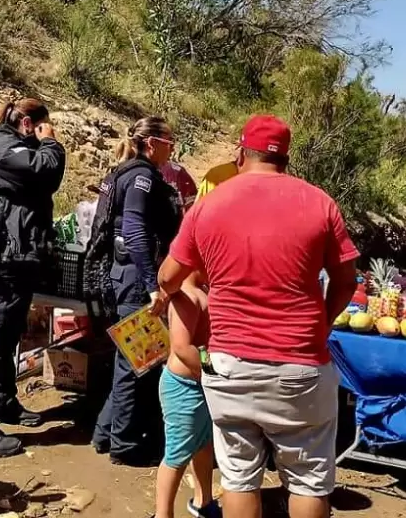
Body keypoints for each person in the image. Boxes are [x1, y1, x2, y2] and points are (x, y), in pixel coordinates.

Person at [157, 115, 359, 518]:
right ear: (285, 157)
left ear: (239, 152)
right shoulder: (319, 202)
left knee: (238, 477)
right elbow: (346, 280)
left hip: (230, 366)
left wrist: (176, 294)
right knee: (308, 479)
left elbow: (169, 276)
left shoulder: (209, 205)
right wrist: (321, 321)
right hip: (300, 365)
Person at [0, 98, 66, 458]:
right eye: (40, 128)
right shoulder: (6, 150)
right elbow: (46, 174)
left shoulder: (8, 147)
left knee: (9, 332)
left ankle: (2, 401)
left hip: (7, 252)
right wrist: (50, 142)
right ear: (28, 124)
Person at [92, 116, 182, 466]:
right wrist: (151, 285)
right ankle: (124, 445)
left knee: (128, 358)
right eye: (169, 140)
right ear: (151, 143)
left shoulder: (127, 173)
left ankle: (104, 432)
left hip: (123, 276)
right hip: (133, 279)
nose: (173, 146)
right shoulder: (142, 177)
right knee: (135, 361)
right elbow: (134, 231)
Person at [154, 276, 219, 518]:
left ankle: (204, 501)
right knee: (177, 454)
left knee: (203, 444)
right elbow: (182, 347)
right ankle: (163, 514)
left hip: (199, 385)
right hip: (184, 387)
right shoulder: (186, 297)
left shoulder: (201, 290)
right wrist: (210, 370)